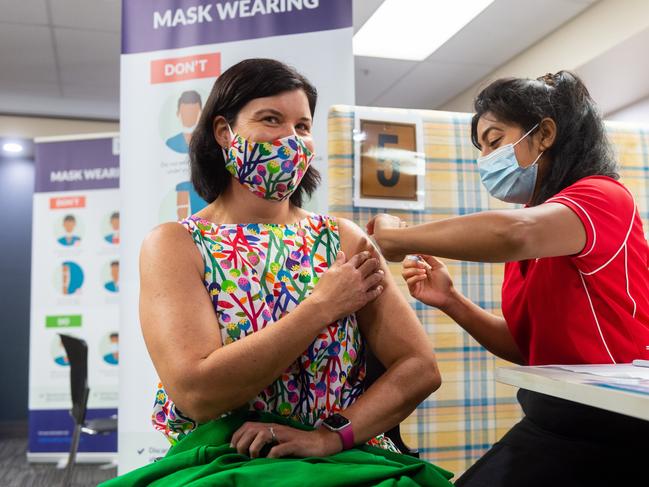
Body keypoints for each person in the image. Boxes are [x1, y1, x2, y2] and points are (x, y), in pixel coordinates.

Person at [102, 59, 452, 486]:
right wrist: (320, 307)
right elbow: (196, 393)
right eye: (271, 120)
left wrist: (328, 436)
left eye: (302, 127)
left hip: (344, 459)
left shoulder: (341, 239)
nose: (291, 139)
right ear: (223, 132)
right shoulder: (176, 244)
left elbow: (419, 366)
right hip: (228, 459)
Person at [368, 71, 649, 486]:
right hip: (555, 414)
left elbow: (512, 234)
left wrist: (396, 240)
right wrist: (452, 301)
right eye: (480, 148)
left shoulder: (602, 197)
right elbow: (525, 347)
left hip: (617, 425)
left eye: (495, 141)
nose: (486, 159)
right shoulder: (539, 235)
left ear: (545, 133)